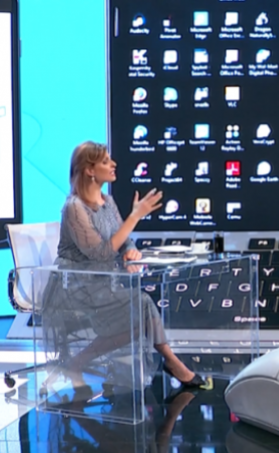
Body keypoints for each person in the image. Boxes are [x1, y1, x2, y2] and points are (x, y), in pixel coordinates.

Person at [42, 141, 205, 389]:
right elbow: (100, 253)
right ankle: (172, 362)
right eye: (106, 161)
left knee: (140, 315)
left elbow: (123, 239)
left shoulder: (107, 201)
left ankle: (77, 363)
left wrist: (130, 251)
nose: (113, 164)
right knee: (142, 305)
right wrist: (135, 216)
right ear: (89, 170)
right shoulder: (74, 208)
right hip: (75, 287)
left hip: (102, 284)